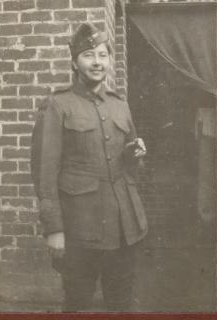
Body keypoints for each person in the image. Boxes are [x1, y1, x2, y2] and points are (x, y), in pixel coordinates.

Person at [31, 22, 148, 312]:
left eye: (102, 54)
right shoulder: (58, 106)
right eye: (88, 55)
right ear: (74, 62)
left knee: (121, 305)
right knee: (78, 304)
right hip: (79, 228)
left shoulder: (120, 105)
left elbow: (130, 167)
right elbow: (44, 173)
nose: (97, 62)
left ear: (109, 60)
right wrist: (54, 229)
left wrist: (136, 155)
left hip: (124, 226)